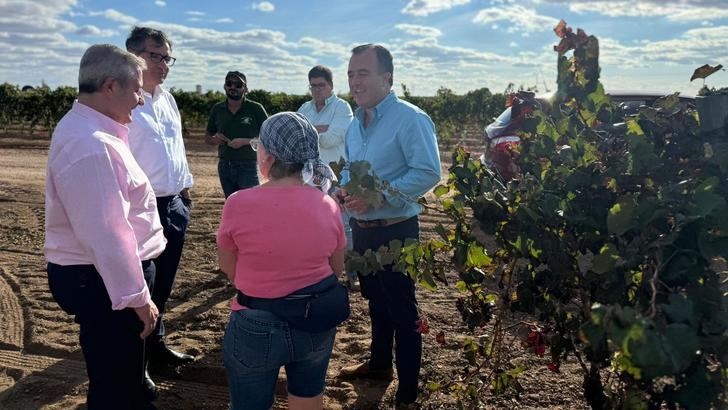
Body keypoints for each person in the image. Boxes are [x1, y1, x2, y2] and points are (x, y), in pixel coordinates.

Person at [44, 44, 166, 409]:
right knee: (115, 385)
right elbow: (108, 235)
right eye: (136, 90)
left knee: (117, 372)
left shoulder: (93, 132)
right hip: (102, 280)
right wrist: (137, 298)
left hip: (102, 278)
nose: (141, 100)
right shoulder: (92, 146)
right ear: (111, 86)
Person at [335, 44, 441, 407]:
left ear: (387, 77)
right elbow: (350, 167)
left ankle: (408, 394)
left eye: (362, 73)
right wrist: (344, 189)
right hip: (364, 231)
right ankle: (380, 366)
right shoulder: (354, 124)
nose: (354, 80)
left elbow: (428, 172)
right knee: (376, 303)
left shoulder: (410, 118)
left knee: (403, 312)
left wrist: (380, 197)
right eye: (350, 73)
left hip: (396, 230)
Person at [217, 112, 346, 410]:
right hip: (315, 319)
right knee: (308, 400)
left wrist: (262, 284)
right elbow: (336, 268)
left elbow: (228, 266)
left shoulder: (237, 203)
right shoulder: (327, 204)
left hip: (255, 323)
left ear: (269, 157)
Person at [125, 26, 196, 378]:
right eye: (156, 56)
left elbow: (175, 150)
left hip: (173, 205)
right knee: (141, 286)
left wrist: (185, 193)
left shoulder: (167, 99)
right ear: (132, 54)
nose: (164, 64)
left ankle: (156, 348)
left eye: (167, 57)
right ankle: (137, 364)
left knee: (163, 284)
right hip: (140, 207)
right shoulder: (124, 99)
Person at [297, 65, 357, 289]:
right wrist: (319, 129)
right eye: (313, 86)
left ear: (331, 86)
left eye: (321, 85)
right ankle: (317, 271)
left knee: (345, 225)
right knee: (312, 225)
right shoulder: (305, 107)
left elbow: (332, 139)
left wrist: (310, 129)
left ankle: (352, 274)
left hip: (337, 175)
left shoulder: (343, 108)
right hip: (309, 177)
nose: (317, 90)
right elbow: (299, 138)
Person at [205, 71, 268, 198]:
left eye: (238, 84)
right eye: (229, 83)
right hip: (225, 166)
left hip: (248, 166)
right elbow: (207, 137)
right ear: (224, 86)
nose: (233, 87)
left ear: (245, 89)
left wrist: (245, 141)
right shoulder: (218, 109)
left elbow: (269, 136)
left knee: (251, 204)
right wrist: (216, 140)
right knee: (232, 204)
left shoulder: (255, 108)